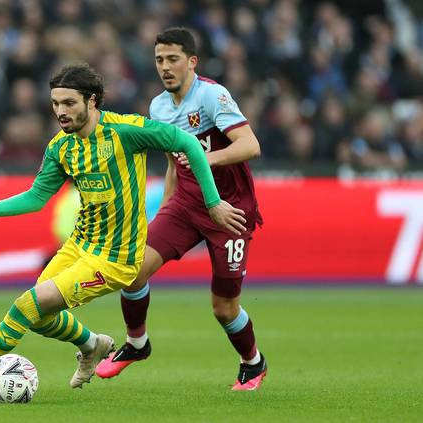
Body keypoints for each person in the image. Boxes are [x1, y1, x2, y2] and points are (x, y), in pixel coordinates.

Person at [0, 63, 247, 395]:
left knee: (25, 305)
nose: (60, 111)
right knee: (39, 316)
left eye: (69, 103)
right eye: (56, 103)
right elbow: (36, 197)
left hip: (116, 258)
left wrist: (213, 201)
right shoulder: (61, 147)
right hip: (79, 246)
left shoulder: (126, 131)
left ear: (92, 102)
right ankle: (92, 344)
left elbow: (188, 144)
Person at [96, 28, 267, 391]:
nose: (165, 67)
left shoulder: (212, 96)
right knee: (133, 269)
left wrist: (203, 158)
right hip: (187, 205)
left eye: (173, 59)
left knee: (223, 307)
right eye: (159, 60)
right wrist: (166, 208)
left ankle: (253, 363)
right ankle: (137, 344)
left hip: (231, 210)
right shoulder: (158, 107)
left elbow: (250, 145)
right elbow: (174, 163)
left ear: (191, 62)